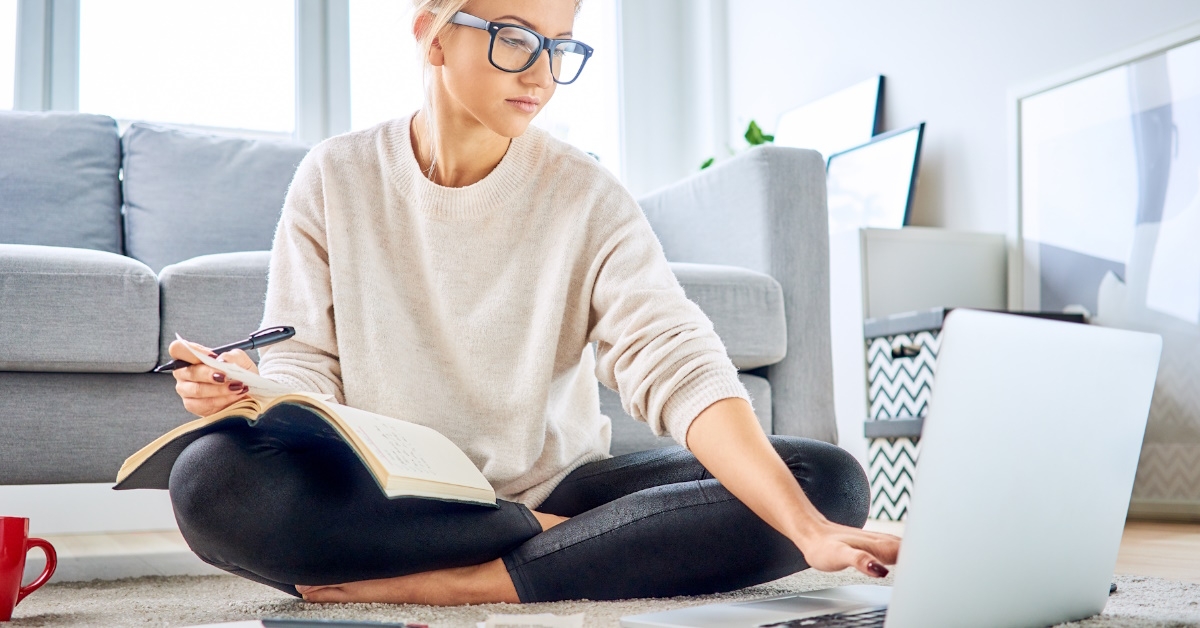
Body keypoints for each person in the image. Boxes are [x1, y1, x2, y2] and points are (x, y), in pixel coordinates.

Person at [164, 0, 901, 605]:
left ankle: (471, 579)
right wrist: (251, 393)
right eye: (515, 39)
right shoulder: (336, 175)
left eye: (561, 47)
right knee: (210, 481)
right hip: (389, 492)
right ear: (431, 37)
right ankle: (572, 548)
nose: (542, 74)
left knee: (827, 484)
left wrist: (805, 526)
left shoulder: (586, 194)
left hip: (558, 486)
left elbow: (673, 356)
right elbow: (304, 363)